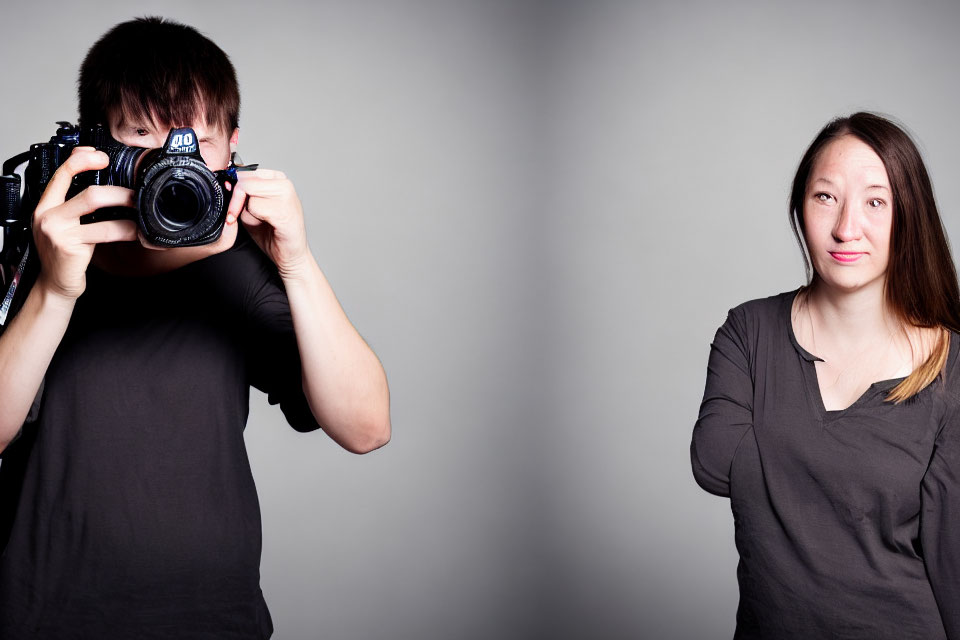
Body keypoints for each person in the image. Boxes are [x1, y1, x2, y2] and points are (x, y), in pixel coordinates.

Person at [0, 17, 390, 639]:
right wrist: (53, 288)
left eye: (196, 141)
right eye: (139, 135)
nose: (170, 161)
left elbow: (367, 428)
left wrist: (297, 261)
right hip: (42, 618)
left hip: (213, 622)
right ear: (92, 145)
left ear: (233, 148)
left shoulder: (243, 270)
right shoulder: (31, 256)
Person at [691, 112, 960, 639]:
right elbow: (712, 462)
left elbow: (953, 561)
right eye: (825, 197)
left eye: (875, 202)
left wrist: (783, 446)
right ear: (800, 208)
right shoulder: (750, 331)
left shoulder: (950, 369)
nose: (845, 227)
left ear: (910, 216)